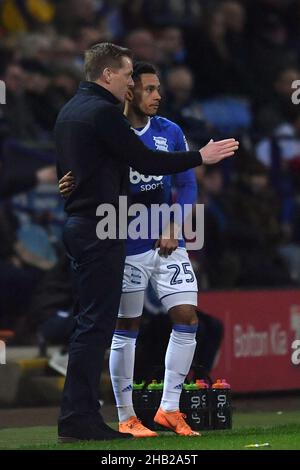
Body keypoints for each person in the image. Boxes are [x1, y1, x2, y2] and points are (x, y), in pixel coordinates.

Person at [55, 42, 239, 442]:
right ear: (118, 80)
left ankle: (154, 409)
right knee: (110, 327)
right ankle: (104, 416)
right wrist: (200, 156)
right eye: (139, 83)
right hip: (114, 233)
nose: (152, 94)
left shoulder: (80, 112)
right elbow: (144, 163)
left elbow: (83, 163)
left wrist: (175, 221)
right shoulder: (108, 118)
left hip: (128, 232)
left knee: (173, 317)